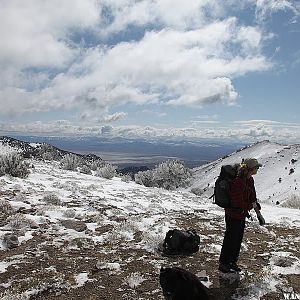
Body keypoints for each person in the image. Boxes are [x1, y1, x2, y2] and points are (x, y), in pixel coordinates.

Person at [218, 158, 265, 273]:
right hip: (232, 214)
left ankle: (232, 262)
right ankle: (223, 264)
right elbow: (237, 202)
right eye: (256, 167)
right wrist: (249, 207)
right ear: (250, 169)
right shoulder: (238, 182)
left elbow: (252, 198)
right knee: (230, 239)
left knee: (237, 239)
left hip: (240, 215)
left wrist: (259, 213)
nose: (258, 169)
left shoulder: (249, 180)